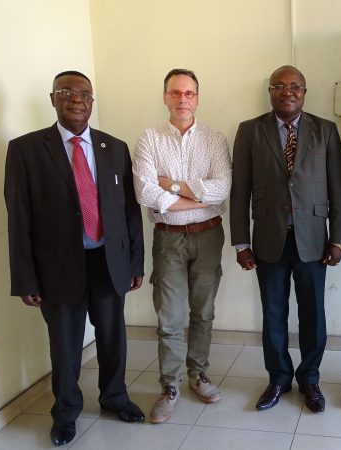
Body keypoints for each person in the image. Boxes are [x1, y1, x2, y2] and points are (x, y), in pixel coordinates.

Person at [4, 71, 145, 446]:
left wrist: (135, 264)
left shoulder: (113, 147)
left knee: (113, 337)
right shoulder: (26, 149)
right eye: (67, 92)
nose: (77, 99)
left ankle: (115, 397)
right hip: (57, 267)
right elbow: (18, 219)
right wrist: (25, 279)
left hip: (107, 261)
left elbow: (129, 211)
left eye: (84, 93)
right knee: (65, 345)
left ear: (92, 102)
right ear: (53, 98)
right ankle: (66, 413)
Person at [230, 65, 341, 413]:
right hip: (267, 239)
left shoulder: (325, 130)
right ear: (270, 91)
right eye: (279, 86)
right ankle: (279, 377)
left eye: (295, 86)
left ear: (305, 91)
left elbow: (338, 189)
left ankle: (309, 378)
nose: (288, 91)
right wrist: (241, 242)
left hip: (313, 239)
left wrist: (339, 240)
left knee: (313, 315)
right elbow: (240, 192)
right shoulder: (250, 131)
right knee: (274, 314)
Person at [133, 69, 231, 424]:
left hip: (208, 237)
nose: (182, 99)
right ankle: (169, 385)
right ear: (165, 97)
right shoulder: (148, 139)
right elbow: (146, 192)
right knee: (170, 318)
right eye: (175, 93)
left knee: (203, 312)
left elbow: (221, 189)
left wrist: (170, 187)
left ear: (198, 98)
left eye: (189, 93)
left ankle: (198, 374)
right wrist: (197, 197)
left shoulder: (215, 139)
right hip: (168, 239)